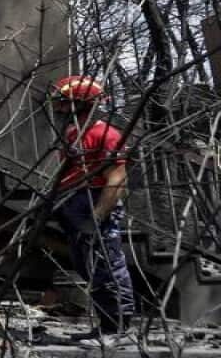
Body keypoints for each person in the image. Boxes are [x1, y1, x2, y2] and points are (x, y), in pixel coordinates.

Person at [49, 75, 137, 347]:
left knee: (107, 266)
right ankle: (105, 326)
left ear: (80, 104)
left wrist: (98, 215)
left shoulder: (106, 135)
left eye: (63, 103)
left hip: (95, 201)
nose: (58, 108)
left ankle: (118, 330)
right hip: (74, 202)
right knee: (86, 267)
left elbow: (117, 178)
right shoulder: (74, 133)